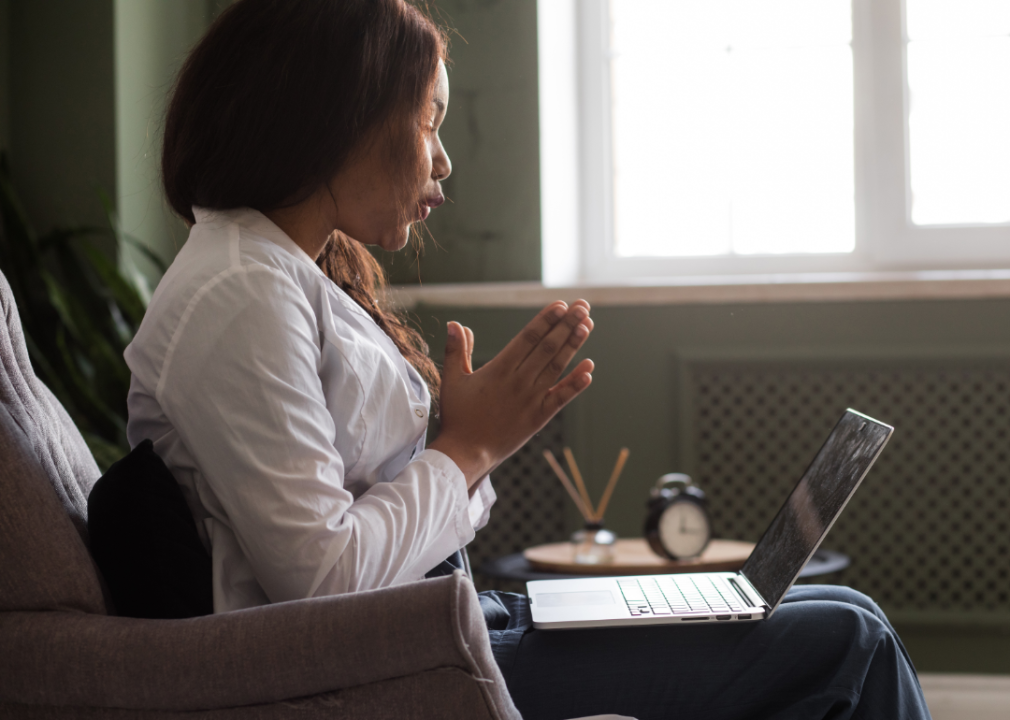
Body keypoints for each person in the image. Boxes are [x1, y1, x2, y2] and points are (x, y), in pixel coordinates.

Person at [125, 1, 932, 718]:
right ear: (338, 116)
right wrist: (468, 447)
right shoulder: (239, 294)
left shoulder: (284, 277)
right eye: (429, 120)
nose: (442, 160)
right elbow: (325, 584)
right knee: (847, 640)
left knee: (830, 617)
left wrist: (461, 450)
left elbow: (417, 519)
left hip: (443, 620)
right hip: (373, 670)